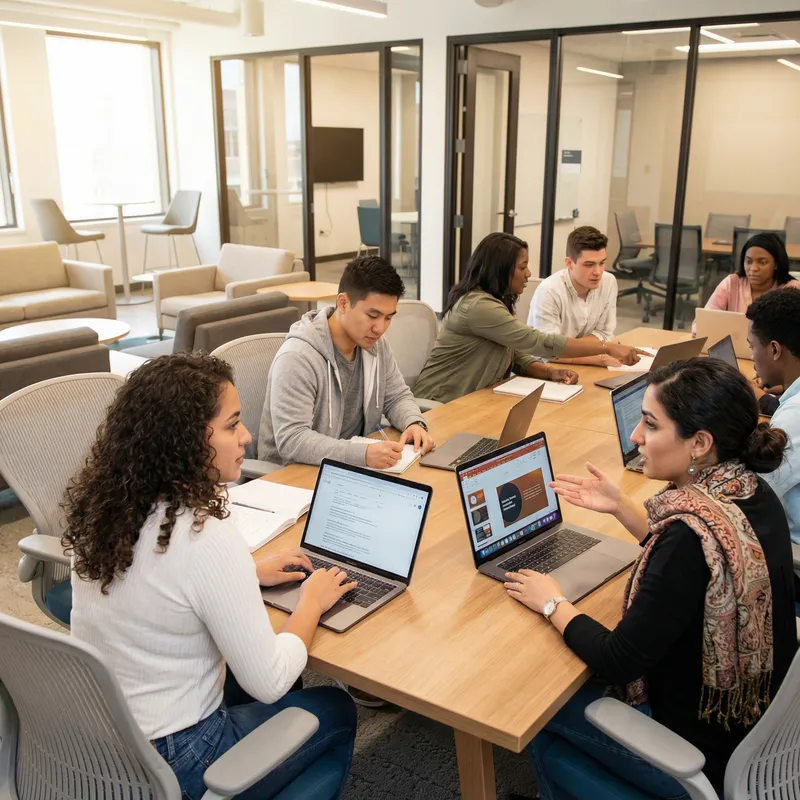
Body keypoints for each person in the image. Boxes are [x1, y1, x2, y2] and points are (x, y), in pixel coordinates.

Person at [65, 354, 358, 800]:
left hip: (101, 744)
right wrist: (311, 604)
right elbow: (271, 680)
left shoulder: (103, 513)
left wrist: (248, 574)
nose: (247, 436)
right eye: (232, 425)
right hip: (181, 758)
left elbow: (159, 587)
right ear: (185, 439)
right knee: (334, 706)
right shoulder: (205, 537)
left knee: (244, 679)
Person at [503, 358, 797, 799]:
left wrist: (553, 604)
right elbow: (699, 567)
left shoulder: (686, 536)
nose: (636, 437)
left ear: (699, 442)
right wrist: (621, 506)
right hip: (751, 719)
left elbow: (618, 660)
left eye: (650, 425)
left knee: (538, 715)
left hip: (698, 753)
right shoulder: (748, 490)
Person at [413, 232, 644, 404]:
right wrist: (607, 348)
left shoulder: (494, 300)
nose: (529, 274)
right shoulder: (478, 306)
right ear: (501, 270)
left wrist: (549, 372)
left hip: (475, 399)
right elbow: (540, 342)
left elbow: (514, 351)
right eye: (523, 267)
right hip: (441, 403)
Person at [259, 255, 434, 472]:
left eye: (388, 317)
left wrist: (413, 423)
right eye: (373, 315)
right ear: (343, 303)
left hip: (351, 468)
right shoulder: (298, 357)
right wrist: (362, 454)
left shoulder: (376, 346)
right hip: (294, 476)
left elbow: (396, 396)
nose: (380, 328)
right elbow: (293, 440)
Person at [746, 287, 800, 547]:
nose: (752, 359)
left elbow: (752, 498)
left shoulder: (794, 416)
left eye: (752, 347)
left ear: (775, 350)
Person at [528, 226, 621, 367]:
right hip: (546, 369)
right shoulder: (549, 291)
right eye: (589, 265)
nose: (598, 272)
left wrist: (569, 350)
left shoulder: (608, 282)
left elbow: (604, 333)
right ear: (569, 263)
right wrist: (598, 358)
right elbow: (547, 350)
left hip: (582, 365)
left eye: (602, 263)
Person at [693, 231, 800, 335]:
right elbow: (702, 322)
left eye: (762, 262)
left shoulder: (791, 290)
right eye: (748, 262)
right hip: (733, 352)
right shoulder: (732, 283)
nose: (753, 268)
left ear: (776, 264)